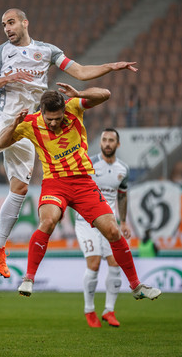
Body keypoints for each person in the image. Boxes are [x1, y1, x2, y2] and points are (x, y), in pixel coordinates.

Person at [0, 8, 138, 279]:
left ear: (25, 23)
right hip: (1, 119)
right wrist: (6, 78)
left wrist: (111, 67)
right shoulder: (1, 52)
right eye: (3, 25)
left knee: (21, 187)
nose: (7, 28)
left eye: (11, 23)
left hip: (28, 124)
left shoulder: (47, 52)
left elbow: (81, 72)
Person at [0, 85, 161, 303]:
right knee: (48, 221)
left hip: (84, 183)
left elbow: (106, 94)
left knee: (112, 230)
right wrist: (14, 125)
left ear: (63, 110)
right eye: (50, 119)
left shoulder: (74, 107)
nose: (54, 123)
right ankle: (29, 278)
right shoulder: (30, 123)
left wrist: (80, 94)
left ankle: (136, 285)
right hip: (55, 183)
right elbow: (0, 143)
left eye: (58, 118)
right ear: (42, 112)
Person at [74, 128, 130, 328]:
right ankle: (89, 310)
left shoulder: (123, 169)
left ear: (118, 144)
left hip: (109, 222)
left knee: (115, 263)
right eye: (104, 139)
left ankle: (109, 310)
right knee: (95, 263)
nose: (107, 143)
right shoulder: (89, 164)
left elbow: (122, 195)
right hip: (85, 221)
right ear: (100, 143)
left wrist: (123, 222)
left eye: (111, 140)